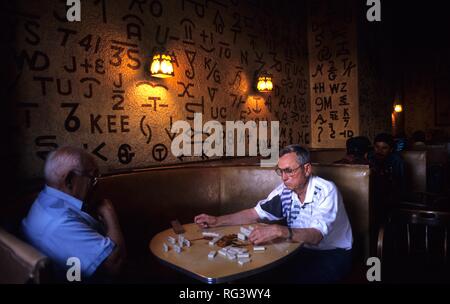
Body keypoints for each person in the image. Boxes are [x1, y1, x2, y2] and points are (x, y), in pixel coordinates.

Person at [194, 144, 353, 283]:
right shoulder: (285, 191)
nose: (284, 178)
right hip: (297, 249)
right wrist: (217, 221)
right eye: (281, 171)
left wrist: (280, 230)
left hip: (332, 253)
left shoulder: (325, 190)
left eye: (289, 171)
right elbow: (253, 213)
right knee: (256, 277)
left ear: (307, 169)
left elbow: (316, 236)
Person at [22, 146, 126, 282]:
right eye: (92, 177)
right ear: (70, 180)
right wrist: (109, 213)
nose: (95, 185)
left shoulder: (47, 199)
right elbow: (115, 265)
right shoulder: (60, 224)